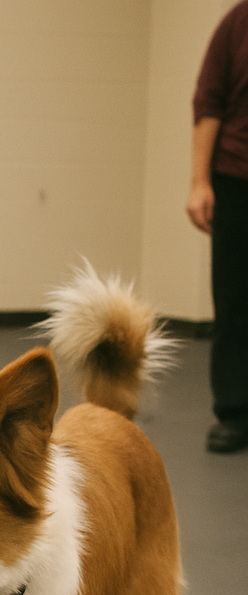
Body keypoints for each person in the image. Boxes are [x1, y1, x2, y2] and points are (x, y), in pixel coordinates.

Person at [187, 0, 248, 453]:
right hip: (237, 178)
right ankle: (234, 411)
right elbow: (208, 102)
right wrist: (199, 180)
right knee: (234, 300)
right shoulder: (237, 22)